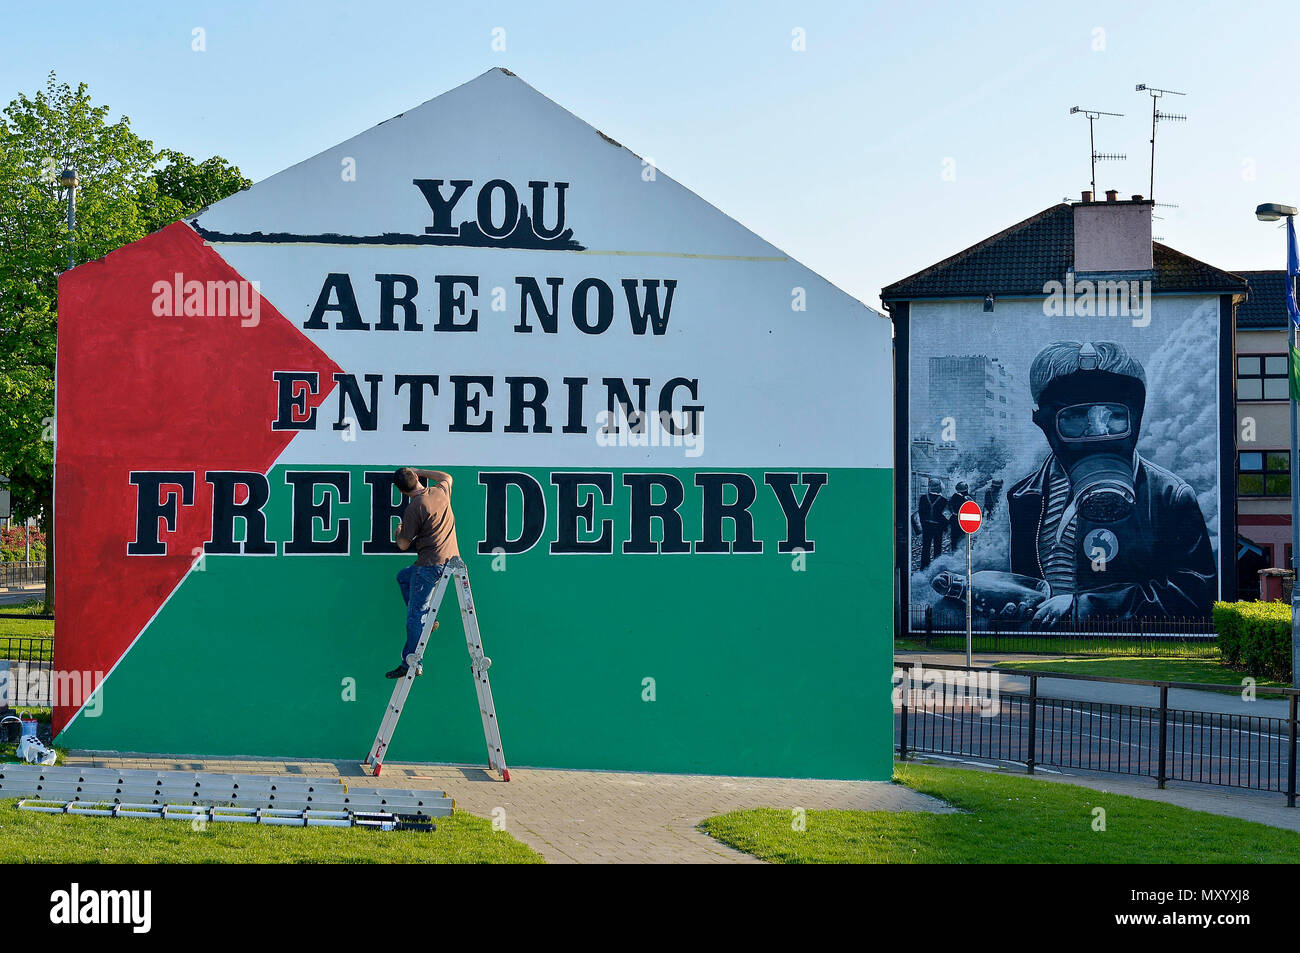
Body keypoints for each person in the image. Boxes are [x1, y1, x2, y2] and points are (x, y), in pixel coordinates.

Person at [1006, 341, 1216, 625]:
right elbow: (1026, 586)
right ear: (1043, 422)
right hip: (1039, 649)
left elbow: (1195, 596)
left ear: (1137, 416)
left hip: (1124, 652)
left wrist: (1085, 608)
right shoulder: (1024, 497)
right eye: (1076, 417)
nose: (1098, 432)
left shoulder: (1170, 497)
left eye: (1114, 416)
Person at [388, 466, 460, 678]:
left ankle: (412, 662)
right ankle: (428, 621)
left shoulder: (414, 508)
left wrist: (399, 531)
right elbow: (447, 476)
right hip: (452, 561)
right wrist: (419, 470)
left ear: (400, 491)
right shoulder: (439, 491)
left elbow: (402, 545)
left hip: (430, 565)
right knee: (403, 577)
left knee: (414, 617)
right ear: (417, 478)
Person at [912, 478, 949, 569]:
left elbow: (921, 513)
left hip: (926, 527)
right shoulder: (944, 501)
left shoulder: (923, 498)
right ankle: (936, 567)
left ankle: (924, 567)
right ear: (939, 488)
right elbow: (945, 517)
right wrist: (945, 528)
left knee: (925, 547)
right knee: (938, 547)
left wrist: (922, 525)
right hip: (938, 527)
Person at [947, 481, 972, 553]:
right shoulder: (967, 499)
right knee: (962, 538)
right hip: (963, 520)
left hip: (954, 520)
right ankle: (961, 553)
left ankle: (954, 552)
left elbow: (949, 509)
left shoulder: (953, 497)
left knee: (954, 538)